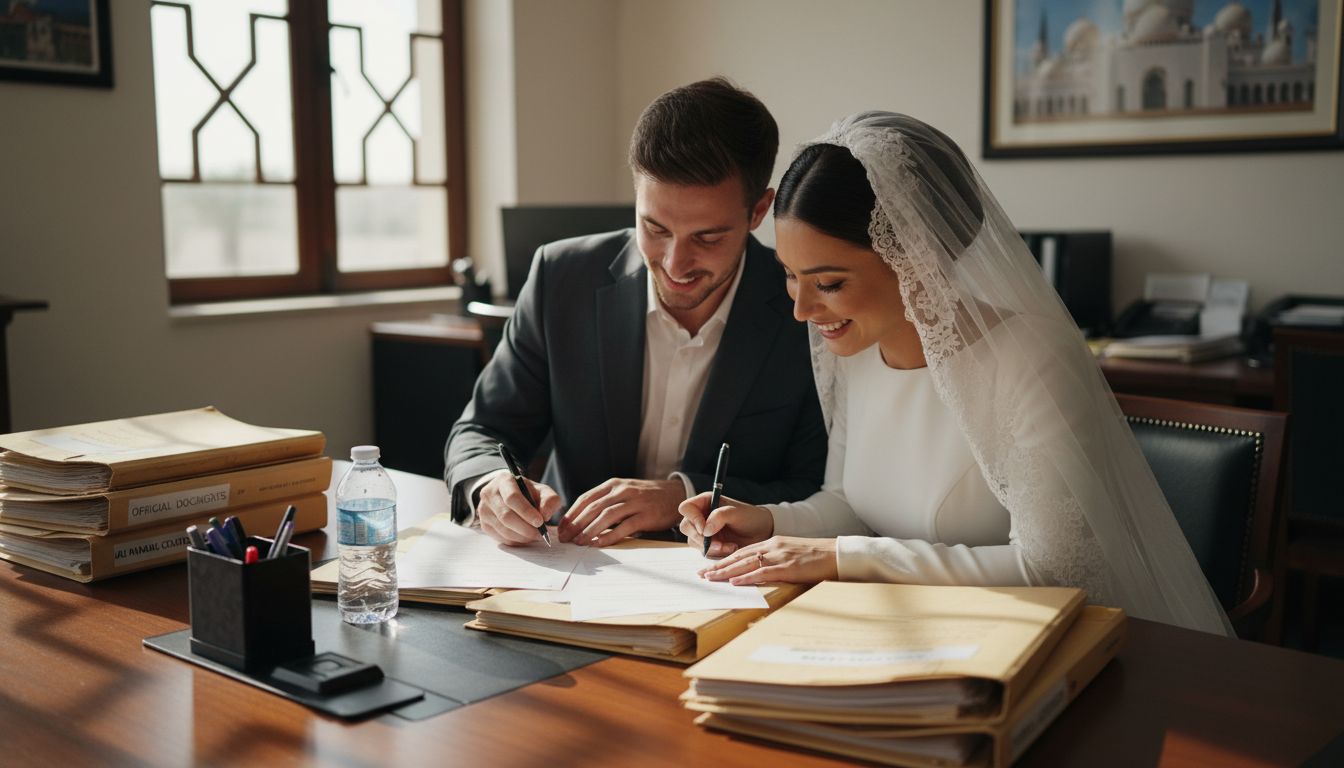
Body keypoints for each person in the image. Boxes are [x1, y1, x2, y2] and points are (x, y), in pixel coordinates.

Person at [678, 111, 1232, 635]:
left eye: (828, 284)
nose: (801, 310)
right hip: (906, 629)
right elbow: (851, 503)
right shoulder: (857, 351)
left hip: (1041, 642)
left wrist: (842, 557)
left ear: (918, 257)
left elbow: (1053, 568)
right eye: (790, 276)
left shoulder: (1030, 357)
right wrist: (771, 524)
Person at [445, 78, 827, 548]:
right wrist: (492, 486)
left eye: (707, 238)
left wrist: (685, 495)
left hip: (726, 579)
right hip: (570, 569)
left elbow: (816, 489)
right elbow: (483, 429)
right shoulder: (560, 278)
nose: (674, 264)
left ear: (759, 211)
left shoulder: (807, 309)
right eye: (654, 227)